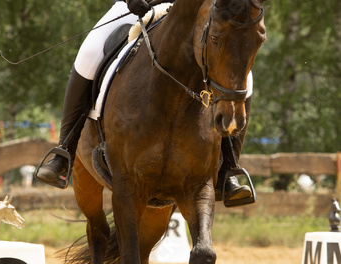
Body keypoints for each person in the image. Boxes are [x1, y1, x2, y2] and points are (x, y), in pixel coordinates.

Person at [36, 0, 252, 204]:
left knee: (243, 76)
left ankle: (228, 170)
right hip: (134, 10)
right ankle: (64, 153)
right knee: (89, 54)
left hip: (193, 13)